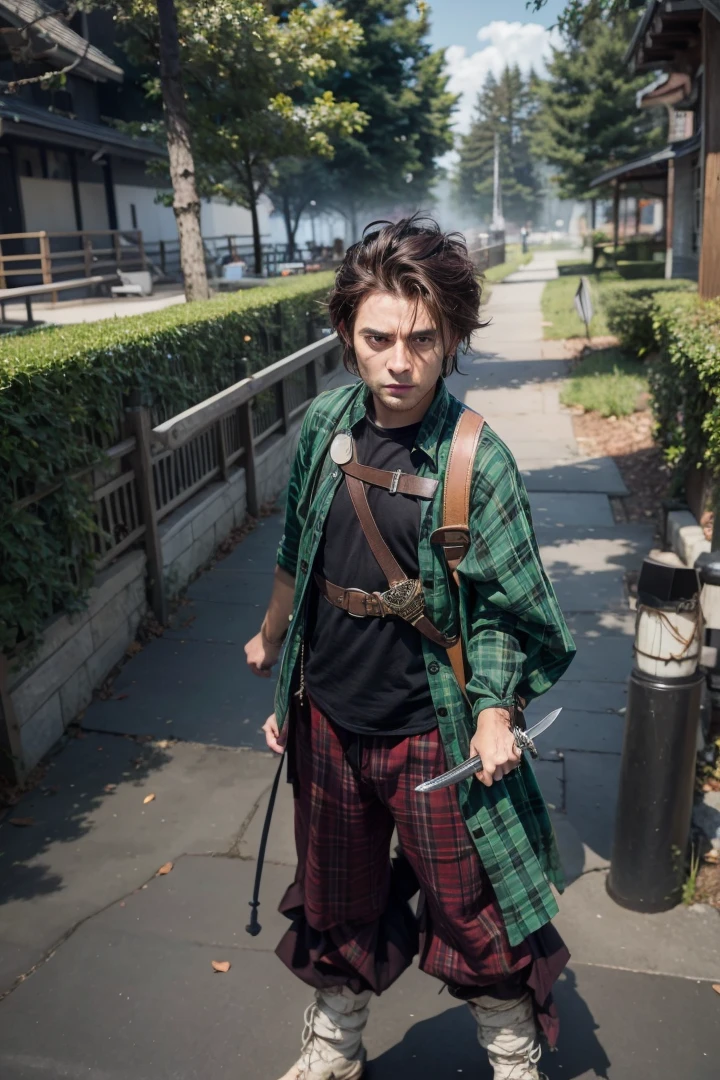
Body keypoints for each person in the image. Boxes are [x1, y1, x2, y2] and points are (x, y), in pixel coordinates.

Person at [244, 215, 576, 1080]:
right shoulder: (323, 427)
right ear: (347, 333)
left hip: (435, 733)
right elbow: (297, 554)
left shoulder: (480, 460)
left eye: (423, 340)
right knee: (339, 899)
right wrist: (273, 641)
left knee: (474, 910)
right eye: (378, 338)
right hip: (330, 723)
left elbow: (511, 611)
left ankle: (510, 1052)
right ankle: (337, 1044)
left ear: (453, 337)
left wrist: (497, 709)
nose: (400, 361)